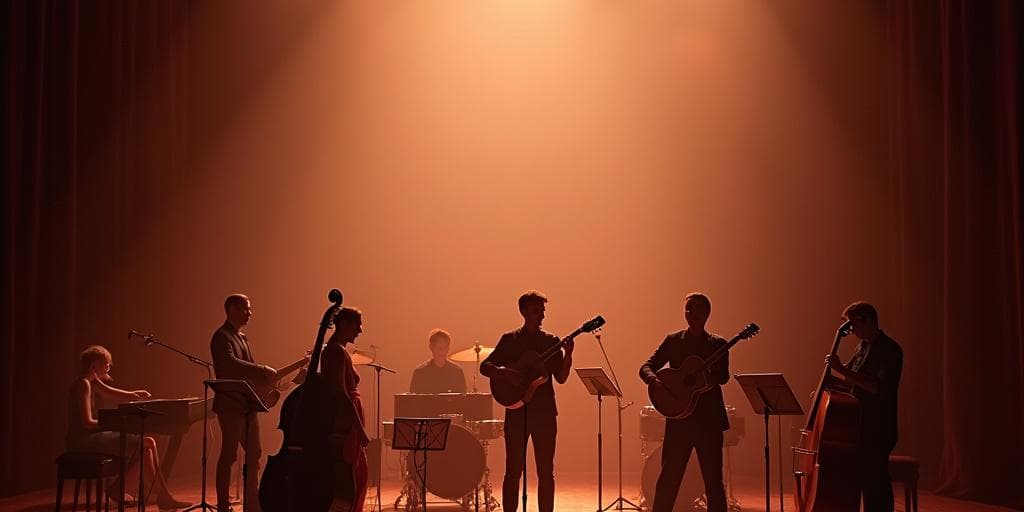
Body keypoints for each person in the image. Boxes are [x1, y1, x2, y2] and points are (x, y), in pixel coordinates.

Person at [480, 291, 573, 512]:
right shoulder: (509, 340)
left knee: (546, 471)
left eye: (543, 311)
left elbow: (561, 378)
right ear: (523, 311)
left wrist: (568, 354)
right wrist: (505, 373)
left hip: (545, 412)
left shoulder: (551, 342)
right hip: (516, 410)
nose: (541, 315)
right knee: (513, 471)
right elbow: (485, 367)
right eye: (536, 310)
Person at [66, 345, 190, 509]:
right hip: (82, 440)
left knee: (146, 449)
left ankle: (130, 491)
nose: (108, 368)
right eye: (106, 364)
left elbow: (109, 391)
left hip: (90, 437)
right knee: (148, 442)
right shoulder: (83, 384)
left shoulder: (91, 381)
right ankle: (160, 496)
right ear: (94, 365)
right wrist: (116, 424)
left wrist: (133, 394)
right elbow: (87, 422)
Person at [639, 293, 729, 512]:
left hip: (709, 420)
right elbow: (646, 367)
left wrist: (706, 377)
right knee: (668, 478)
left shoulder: (718, 344)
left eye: (697, 309)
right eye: (688, 308)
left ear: (707, 313)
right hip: (679, 418)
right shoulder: (673, 341)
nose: (692, 313)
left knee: (713, 481)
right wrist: (655, 382)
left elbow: (723, 377)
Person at [825, 301, 903, 512]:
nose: (851, 331)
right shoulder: (862, 347)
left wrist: (841, 369)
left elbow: (876, 386)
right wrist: (829, 384)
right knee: (864, 480)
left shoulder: (890, 349)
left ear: (867, 321)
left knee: (875, 483)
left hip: (879, 426)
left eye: (854, 325)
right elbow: (851, 382)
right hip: (860, 425)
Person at [210, 294, 277, 512]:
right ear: (231, 309)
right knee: (229, 454)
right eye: (245, 309)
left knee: (254, 452)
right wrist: (263, 370)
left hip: (248, 403)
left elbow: (249, 367)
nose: (250, 313)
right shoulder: (221, 337)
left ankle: (252, 503)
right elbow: (230, 364)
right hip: (230, 404)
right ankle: (223, 505)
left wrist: (266, 383)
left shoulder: (242, 337)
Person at [320, 306, 371, 512]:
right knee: (355, 476)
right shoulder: (335, 351)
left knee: (358, 474)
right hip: (348, 424)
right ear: (343, 324)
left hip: (350, 422)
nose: (360, 330)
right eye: (357, 325)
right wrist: (360, 430)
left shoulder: (338, 350)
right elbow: (341, 394)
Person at [409, 328, 467, 394]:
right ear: (431, 348)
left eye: (445, 347)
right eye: (440, 348)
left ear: (448, 348)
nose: (443, 351)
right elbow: (413, 398)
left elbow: (463, 396)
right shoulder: (420, 372)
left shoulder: (457, 371)